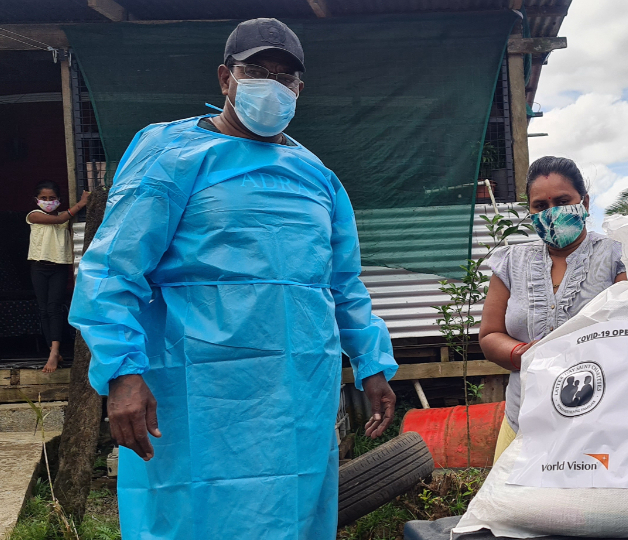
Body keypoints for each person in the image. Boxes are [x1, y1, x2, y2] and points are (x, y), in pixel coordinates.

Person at [69, 18, 398, 540]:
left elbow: (343, 283)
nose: (272, 84)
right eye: (256, 71)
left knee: (292, 513)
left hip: (297, 394)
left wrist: (372, 364)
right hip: (195, 393)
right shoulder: (171, 158)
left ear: (300, 90)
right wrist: (122, 372)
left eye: (284, 77)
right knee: (192, 517)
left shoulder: (318, 178)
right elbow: (112, 270)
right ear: (226, 78)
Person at [479, 156, 627, 461]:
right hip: (523, 422)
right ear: (530, 211)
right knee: (515, 507)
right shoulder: (510, 262)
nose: (552, 213)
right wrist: (526, 355)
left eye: (563, 201)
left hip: (599, 424)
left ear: (584, 203)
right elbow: (490, 335)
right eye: (541, 206)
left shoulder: (617, 258)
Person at [26, 181, 89, 373]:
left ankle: (54, 352)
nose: (47, 201)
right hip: (38, 267)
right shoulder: (34, 215)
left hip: (59, 268)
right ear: (36, 200)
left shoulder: (64, 218)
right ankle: (52, 350)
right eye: (43, 198)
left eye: (52, 198)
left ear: (59, 200)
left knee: (54, 308)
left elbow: (62, 219)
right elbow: (58, 219)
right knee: (43, 309)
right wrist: (81, 204)